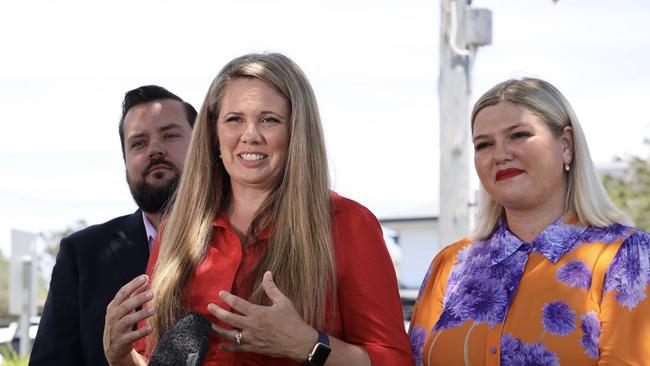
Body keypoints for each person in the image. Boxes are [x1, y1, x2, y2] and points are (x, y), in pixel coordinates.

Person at [103, 53, 414, 366]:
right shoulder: (177, 228)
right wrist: (119, 355)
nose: (250, 135)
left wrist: (308, 344)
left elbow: (395, 361)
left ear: (297, 132)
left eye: (269, 120)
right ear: (213, 133)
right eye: (234, 119)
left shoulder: (348, 224)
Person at [408, 77, 650, 365]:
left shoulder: (625, 256)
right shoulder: (450, 265)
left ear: (566, 145)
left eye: (519, 135)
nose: (500, 154)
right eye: (484, 144)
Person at [30, 85, 196, 366]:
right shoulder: (82, 255)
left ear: (202, 147)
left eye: (170, 135)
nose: (155, 149)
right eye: (138, 143)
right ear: (125, 161)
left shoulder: (249, 238)